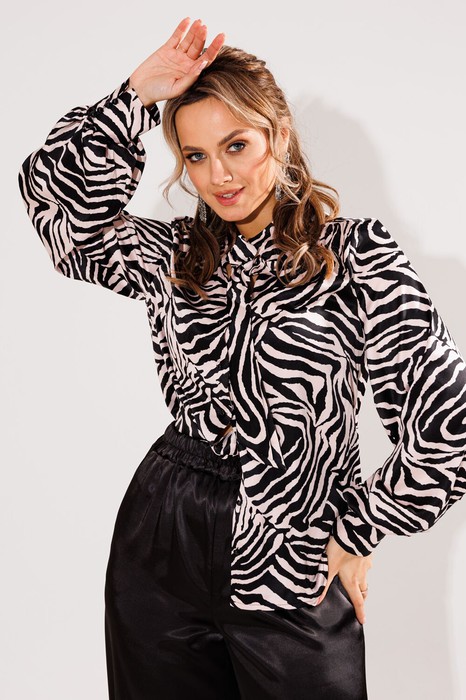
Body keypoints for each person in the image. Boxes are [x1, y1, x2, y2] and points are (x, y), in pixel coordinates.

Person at [18, 16, 466, 700]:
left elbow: (447, 425)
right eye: (195, 156)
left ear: (277, 136)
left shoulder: (355, 256)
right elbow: (58, 209)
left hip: (292, 541)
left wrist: (361, 529)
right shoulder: (174, 257)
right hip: (161, 533)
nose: (219, 175)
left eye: (235, 145)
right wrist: (134, 97)